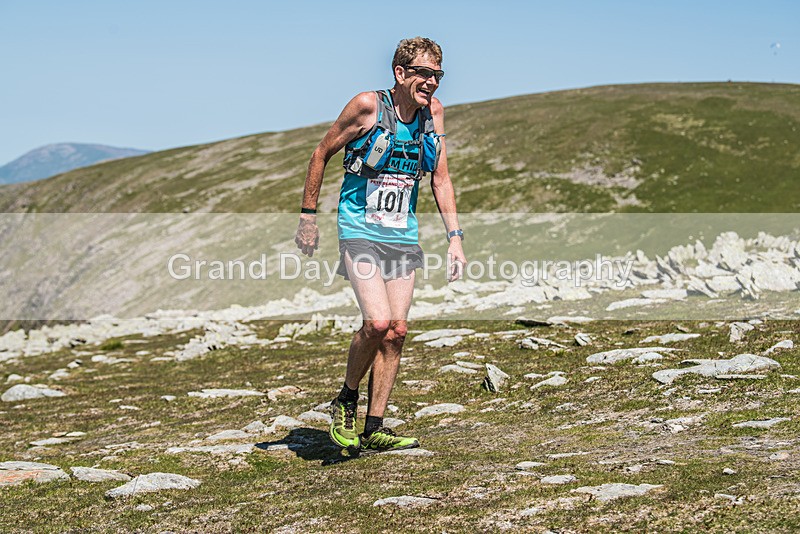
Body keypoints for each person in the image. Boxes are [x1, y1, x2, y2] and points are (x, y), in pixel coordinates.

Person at [295, 37, 466, 453]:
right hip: (359, 228)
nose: (431, 83)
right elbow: (321, 153)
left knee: (397, 331)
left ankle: (375, 428)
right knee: (376, 323)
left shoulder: (433, 115)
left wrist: (455, 239)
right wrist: (308, 216)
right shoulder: (368, 106)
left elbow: (439, 178)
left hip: (402, 232)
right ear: (400, 73)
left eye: (437, 75)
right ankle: (346, 399)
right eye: (424, 73)